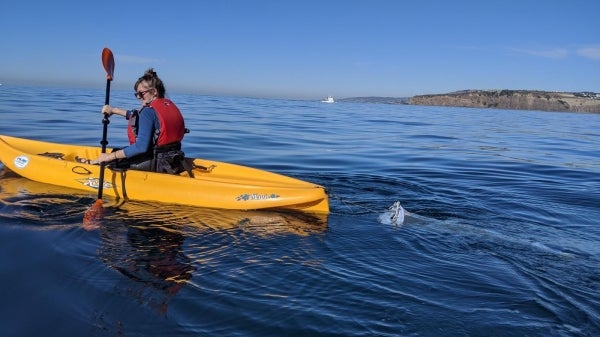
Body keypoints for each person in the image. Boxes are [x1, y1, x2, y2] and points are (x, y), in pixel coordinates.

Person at [94, 68, 191, 175]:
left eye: (141, 94)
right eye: (137, 94)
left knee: (113, 157)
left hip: (155, 164)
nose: (139, 97)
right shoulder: (168, 106)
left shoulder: (148, 112)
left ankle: (92, 164)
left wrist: (110, 157)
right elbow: (139, 117)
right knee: (119, 153)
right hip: (173, 161)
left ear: (154, 92)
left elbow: (140, 147)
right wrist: (114, 110)